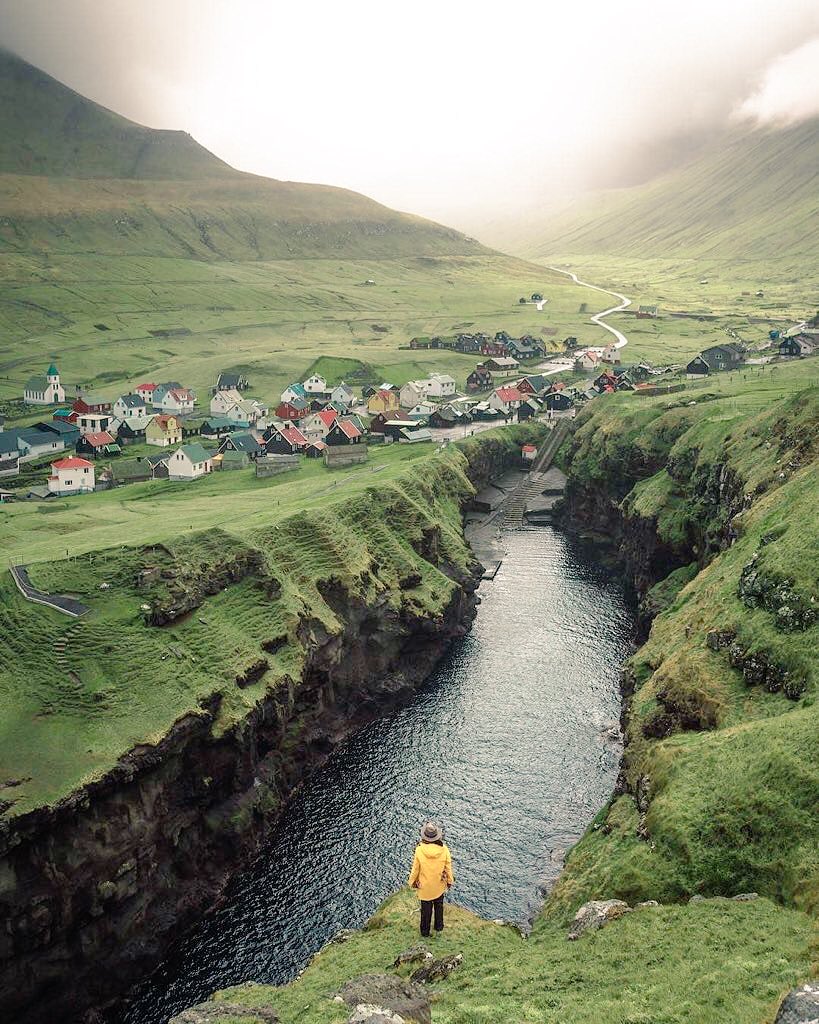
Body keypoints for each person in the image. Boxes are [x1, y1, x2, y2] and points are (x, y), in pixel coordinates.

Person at [408, 821, 455, 937]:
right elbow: (448, 867)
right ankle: (439, 926)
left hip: (425, 888)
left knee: (426, 910)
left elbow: (415, 869)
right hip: (439, 885)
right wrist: (450, 881)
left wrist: (412, 882)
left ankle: (425, 932)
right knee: (439, 906)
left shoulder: (419, 850)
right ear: (437, 836)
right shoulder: (444, 850)